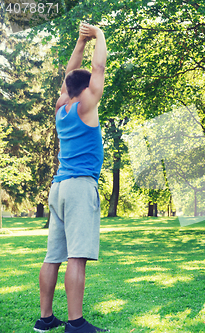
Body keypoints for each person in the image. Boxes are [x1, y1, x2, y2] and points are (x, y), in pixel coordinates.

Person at [33, 24, 108, 333]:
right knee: (77, 257)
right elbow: (98, 66)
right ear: (86, 88)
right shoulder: (86, 105)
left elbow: (71, 73)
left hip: (59, 187)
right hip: (79, 187)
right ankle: (76, 324)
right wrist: (99, 36)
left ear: (67, 88)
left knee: (53, 256)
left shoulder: (62, 106)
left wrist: (80, 40)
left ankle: (46, 318)